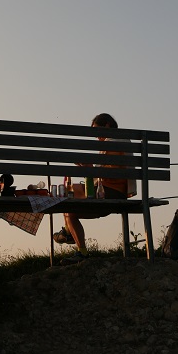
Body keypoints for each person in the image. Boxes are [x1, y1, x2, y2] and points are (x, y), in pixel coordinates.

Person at [53, 113, 128, 265]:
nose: (95, 137)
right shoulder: (120, 141)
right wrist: (90, 169)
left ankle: (75, 243)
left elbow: (110, 175)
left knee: (69, 209)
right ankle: (68, 232)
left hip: (110, 193)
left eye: (96, 131)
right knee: (71, 194)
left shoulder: (111, 143)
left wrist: (91, 169)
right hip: (112, 190)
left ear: (106, 125)